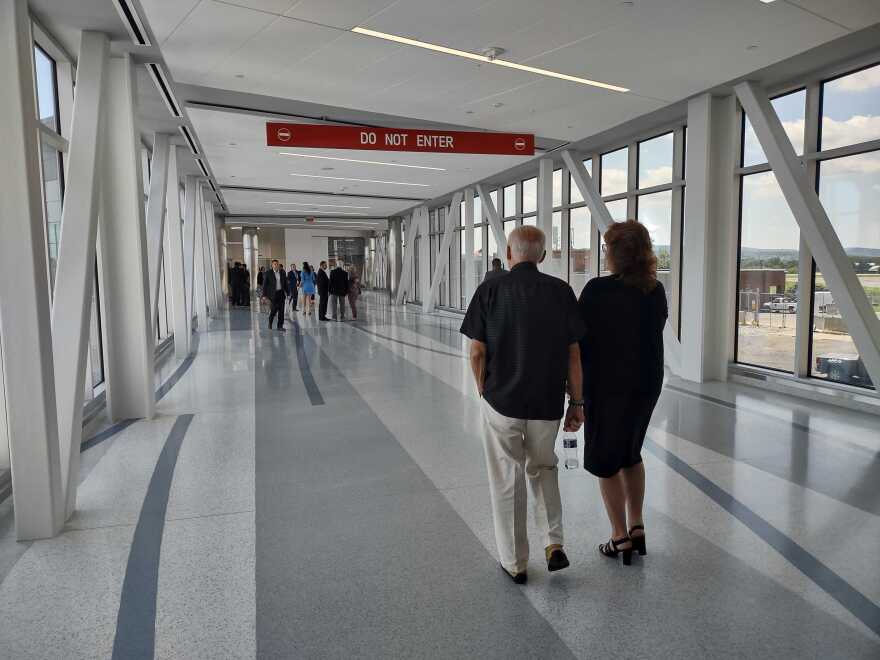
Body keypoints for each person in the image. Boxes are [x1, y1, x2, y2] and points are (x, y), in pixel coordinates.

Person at [460, 226, 585, 584]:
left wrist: (483, 389)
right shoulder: (562, 292)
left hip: (503, 400)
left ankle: (515, 562)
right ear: (542, 256)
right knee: (544, 468)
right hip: (546, 402)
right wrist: (577, 401)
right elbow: (574, 354)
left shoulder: (490, 289)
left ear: (510, 254)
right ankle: (554, 542)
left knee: (507, 477)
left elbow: (477, 350)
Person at [577, 220, 667, 565]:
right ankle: (637, 525)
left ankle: (619, 537)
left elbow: (579, 338)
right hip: (646, 383)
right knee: (631, 452)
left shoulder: (597, 290)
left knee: (605, 460)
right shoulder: (654, 289)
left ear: (614, 253)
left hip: (606, 384)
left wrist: (575, 391)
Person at [261, 259, 289, 331]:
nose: (276, 265)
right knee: (273, 310)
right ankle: (270, 322)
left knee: (281, 311)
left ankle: (280, 326)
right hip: (273, 295)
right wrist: (264, 295)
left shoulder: (282, 272)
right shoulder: (268, 273)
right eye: (274, 264)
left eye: (277, 264)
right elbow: (264, 285)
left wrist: (288, 293)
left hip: (281, 294)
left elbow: (285, 284)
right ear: (272, 265)